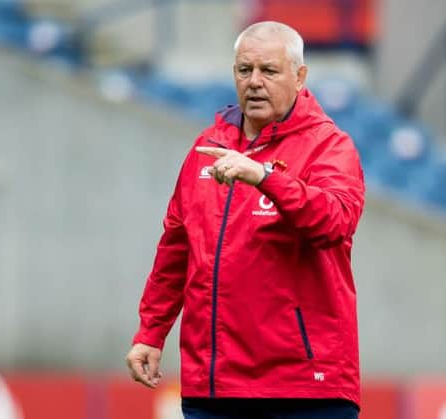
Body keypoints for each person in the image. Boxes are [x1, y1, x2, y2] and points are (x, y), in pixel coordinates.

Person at [126, 21, 365, 419]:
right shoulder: (207, 148)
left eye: (268, 71)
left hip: (305, 389)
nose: (254, 82)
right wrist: (150, 333)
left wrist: (267, 178)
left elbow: (335, 221)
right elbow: (176, 250)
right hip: (214, 388)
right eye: (244, 70)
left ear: (300, 76)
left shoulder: (330, 146)